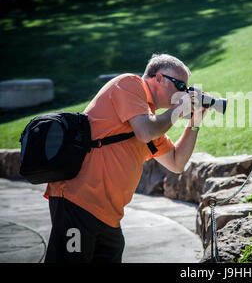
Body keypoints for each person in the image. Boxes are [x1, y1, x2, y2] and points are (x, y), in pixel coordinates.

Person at [44, 54, 207, 263]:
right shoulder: (129, 83)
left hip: (110, 218)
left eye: (186, 88)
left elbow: (177, 163)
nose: (183, 93)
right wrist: (178, 110)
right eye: (179, 85)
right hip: (77, 203)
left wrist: (195, 121)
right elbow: (145, 132)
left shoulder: (150, 119)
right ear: (157, 78)